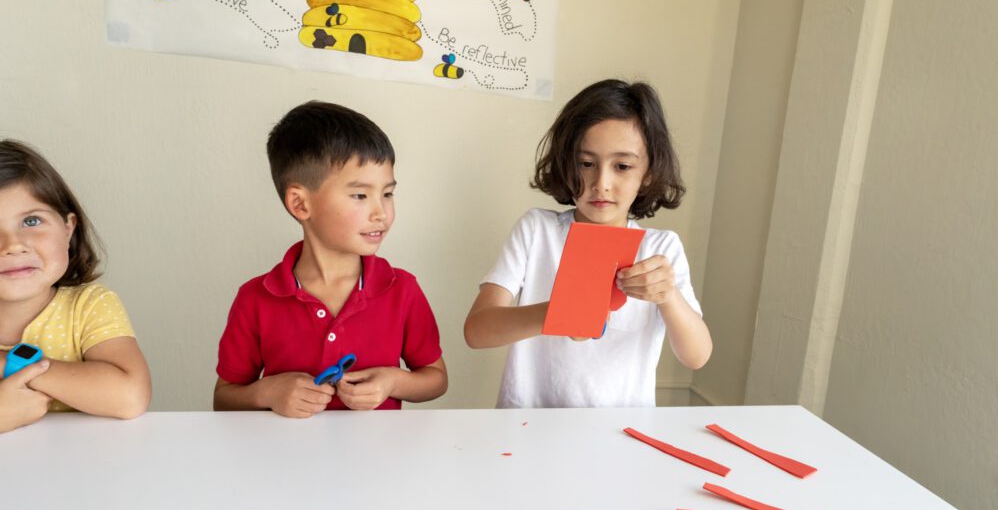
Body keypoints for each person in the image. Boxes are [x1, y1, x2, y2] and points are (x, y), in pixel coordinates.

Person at [464, 79, 712, 408]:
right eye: (586, 164)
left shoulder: (661, 249)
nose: (601, 184)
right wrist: (557, 314)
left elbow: (697, 356)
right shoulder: (537, 230)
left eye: (622, 166)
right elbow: (477, 331)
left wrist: (669, 297)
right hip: (526, 428)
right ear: (567, 163)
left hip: (620, 436)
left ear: (648, 172)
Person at [214, 101, 447, 416]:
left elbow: (436, 379)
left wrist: (393, 382)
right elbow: (224, 399)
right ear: (300, 204)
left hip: (381, 460)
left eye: (388, 193)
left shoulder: (402, 289)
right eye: (360, 196)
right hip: (284, 459)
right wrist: (267, 392)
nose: (382, 212)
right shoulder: (254, 299)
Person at [0, 140, 151, 433]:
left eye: (31, 220)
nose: (13, 245)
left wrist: (8, 364)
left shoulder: (90, 306)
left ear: (68, 228)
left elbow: (129, 396)